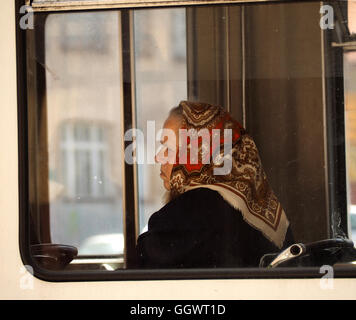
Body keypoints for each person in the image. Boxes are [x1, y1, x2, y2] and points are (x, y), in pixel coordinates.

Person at [136, 100, 294, 268]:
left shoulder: (192, 211)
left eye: (168, 148)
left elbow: (145, 266)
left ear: (197, 153)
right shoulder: (261, 209)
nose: (158, 157)